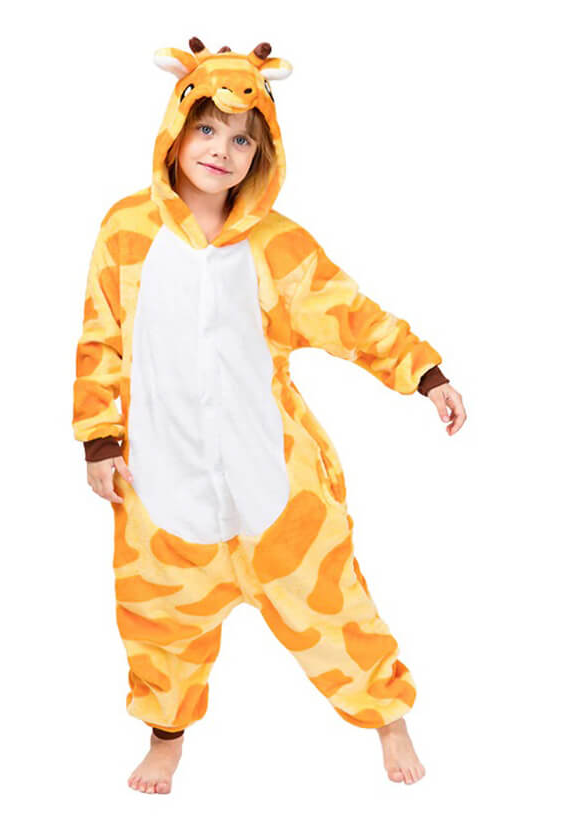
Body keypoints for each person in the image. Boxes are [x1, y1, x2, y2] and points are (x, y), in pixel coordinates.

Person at [72, 38, 467, 796]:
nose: (221, 151)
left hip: (276, 483)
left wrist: (425, 373)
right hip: (161, 482)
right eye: (207, 129)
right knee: (159, 622)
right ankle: (165, 737)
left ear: (263, 153)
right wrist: (98, 439)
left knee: (335, 605)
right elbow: (99, 338)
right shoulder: (126, 232)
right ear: (176, 128)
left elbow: (348, 313)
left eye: (242, 139)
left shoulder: (275, 245)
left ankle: (387, 716)